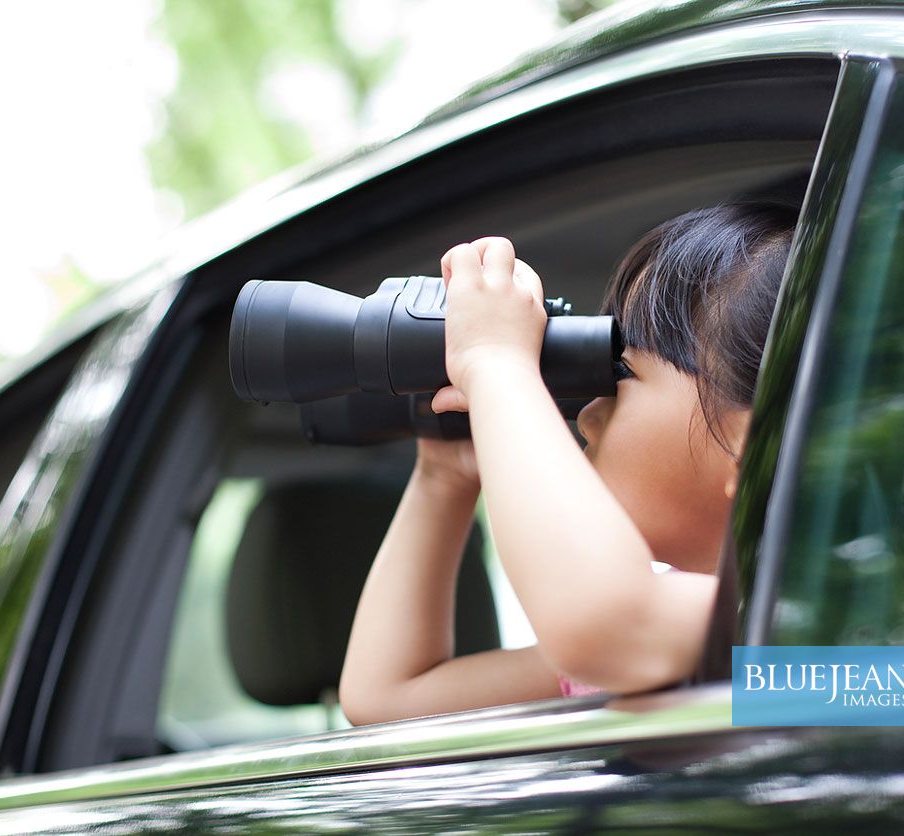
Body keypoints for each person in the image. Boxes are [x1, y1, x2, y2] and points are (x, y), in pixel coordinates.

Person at [338, 203, 796, 725]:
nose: (588, 416)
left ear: (751, 445)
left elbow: (608, 622)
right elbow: (389, 699)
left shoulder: (823, 629)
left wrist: (497, 364)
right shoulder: (654, 634)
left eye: (620, 372)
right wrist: (445, 476)